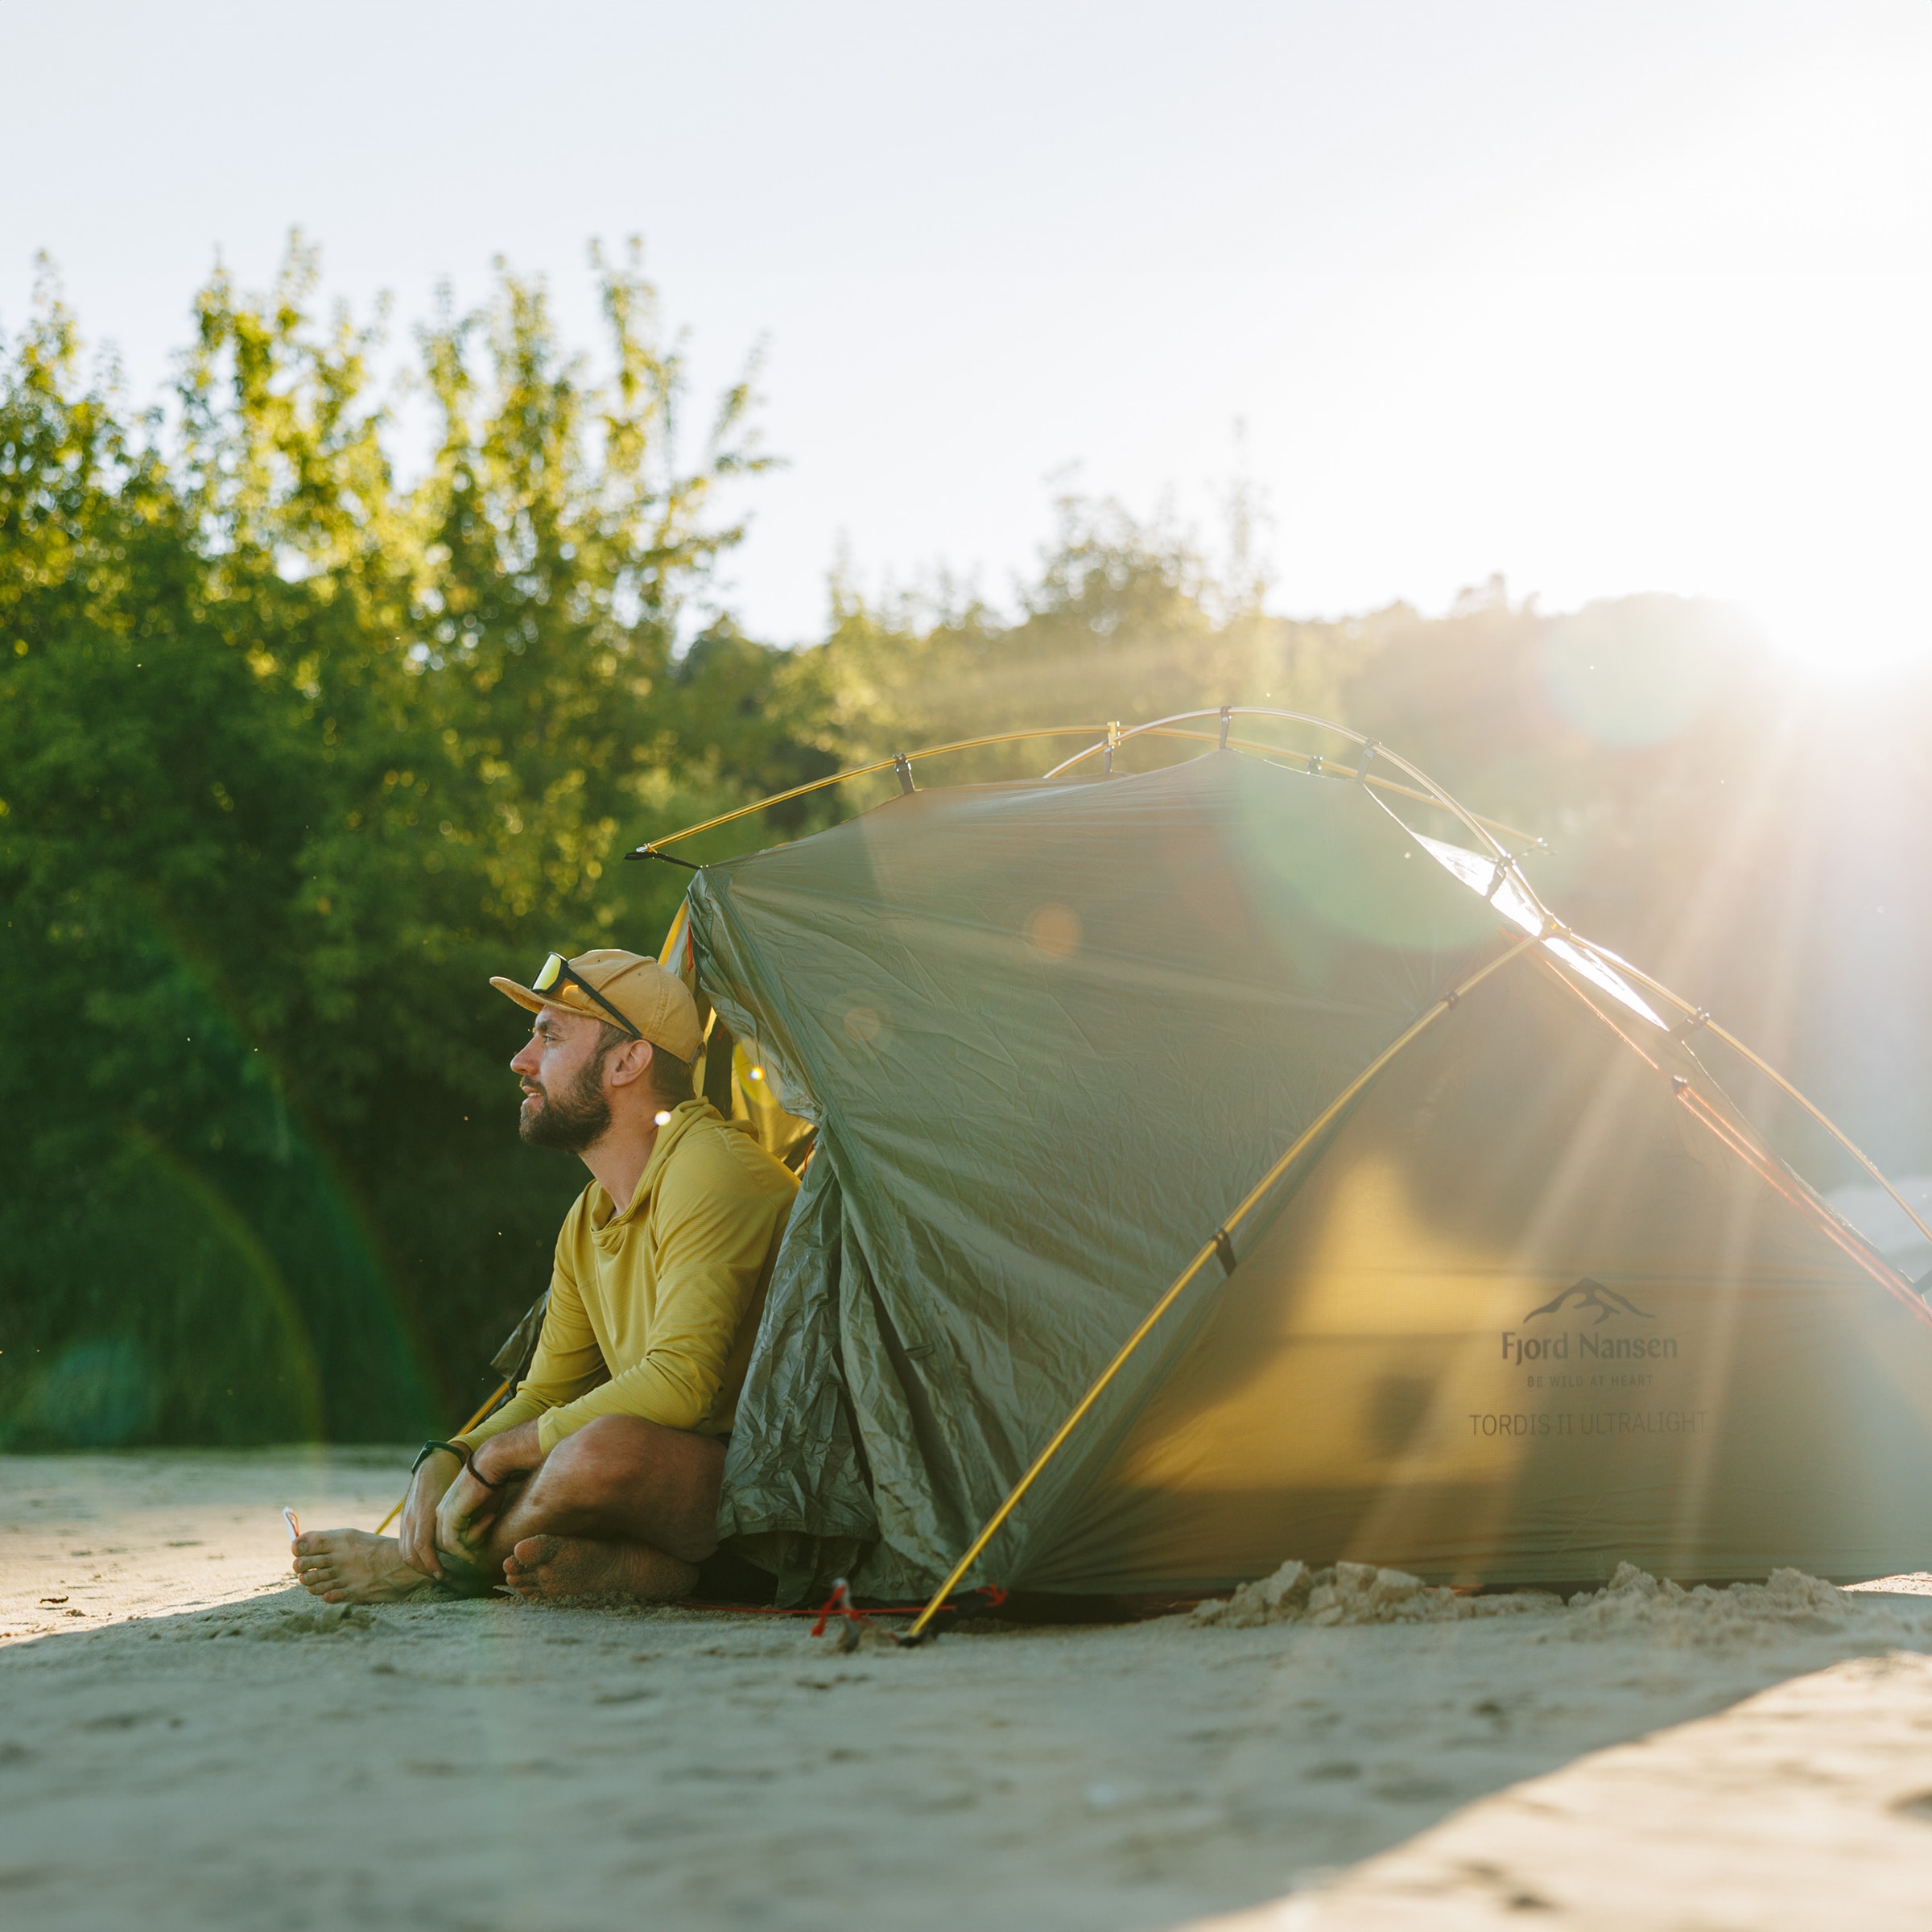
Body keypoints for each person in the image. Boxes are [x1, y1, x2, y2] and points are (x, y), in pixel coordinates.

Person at [291, 947, 798, 1605]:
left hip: (777, 1497)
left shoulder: (709, 1168)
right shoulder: (587, 1217)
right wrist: (449, 1453)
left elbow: (680, 1387)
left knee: (595, 1452)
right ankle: (651, 1571)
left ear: (627, 1062)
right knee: (558, 1445)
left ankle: (420, 1569)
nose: (520, 1061)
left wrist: (496, 1459)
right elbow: (544, 1392)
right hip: (687, 1488)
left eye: (549, 1036)